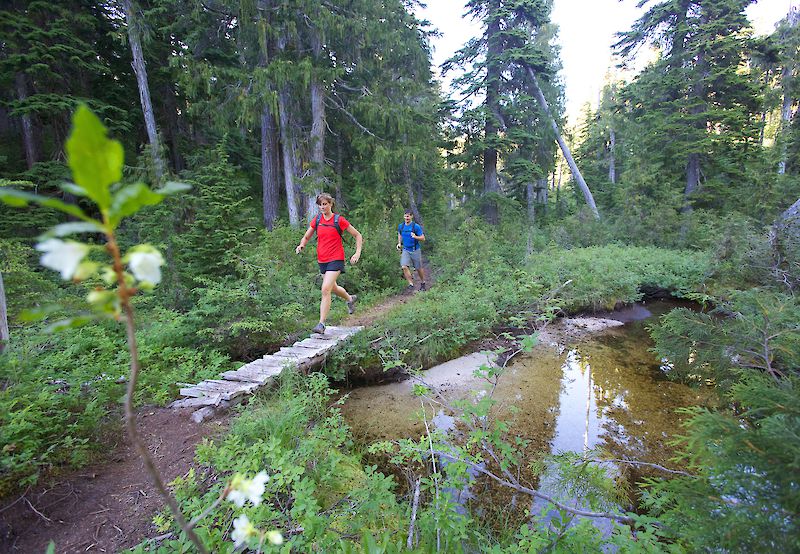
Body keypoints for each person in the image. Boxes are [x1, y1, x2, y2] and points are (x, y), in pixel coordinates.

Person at [296, 193, 362, 334]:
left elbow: (357, 235)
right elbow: (307, 235)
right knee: (333, 288)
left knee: (325, 289)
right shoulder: (318, 219)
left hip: (336, 259)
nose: (322, 207)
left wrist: (357, 252)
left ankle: (321, 324)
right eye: (320, 204)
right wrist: (302, 244)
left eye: (325, 204)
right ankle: (350, 299)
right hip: (322, 260)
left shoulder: (339, 220)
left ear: (331, 204)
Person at [397, 209, 427, 291]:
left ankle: (423, 282)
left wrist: (415, 237)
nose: (407, 218)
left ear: (411, 216)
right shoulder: (401, 226)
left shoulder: (415, 226)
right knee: (404, 266)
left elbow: (423, 238)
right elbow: (399, 234)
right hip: (406, 250)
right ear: (403, 216)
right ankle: (411, 284)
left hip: (415, 250)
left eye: (408, 216)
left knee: (418, 268)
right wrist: (399, 243)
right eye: (405, 216)